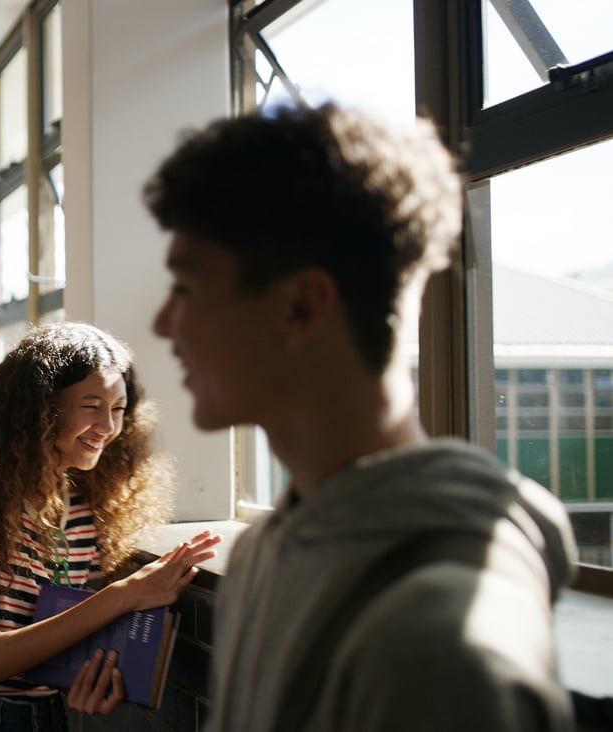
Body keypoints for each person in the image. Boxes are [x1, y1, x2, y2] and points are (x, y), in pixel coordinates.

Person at [145, 102, 578, 731]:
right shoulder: (269, 549)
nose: (163, 324)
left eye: (185, 289)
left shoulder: (441, 646)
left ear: (300, 307)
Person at [0, 321, 222, 730]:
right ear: (43, 407)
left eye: (118, 410)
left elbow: (66, 634)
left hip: (49, 715)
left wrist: (93, 678)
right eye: (92, 406)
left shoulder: (83, 507)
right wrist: (127, 594)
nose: (108, 426)